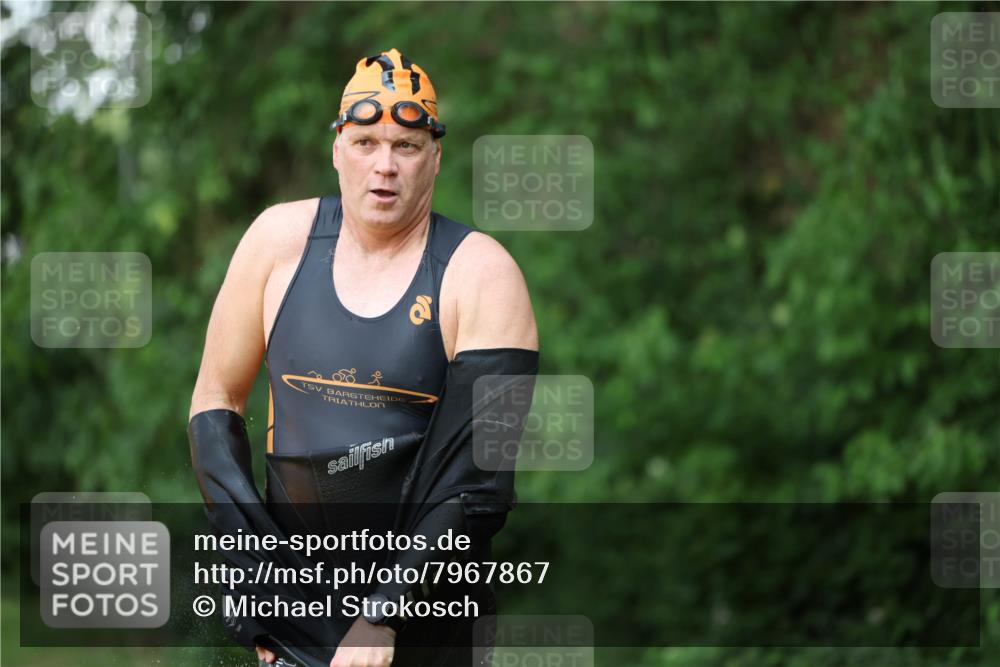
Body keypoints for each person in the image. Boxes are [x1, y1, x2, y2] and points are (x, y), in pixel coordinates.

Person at [188, 48, 539, 667]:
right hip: (297, 616)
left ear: (436, 157)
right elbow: (215, 405)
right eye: (365, 142)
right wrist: (257, 587)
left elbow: (475, 485)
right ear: (336, 150)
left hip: (428, 621)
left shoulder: (483, 275)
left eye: (406, 145)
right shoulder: (277, 242)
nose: (384, 166)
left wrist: (384, 616)